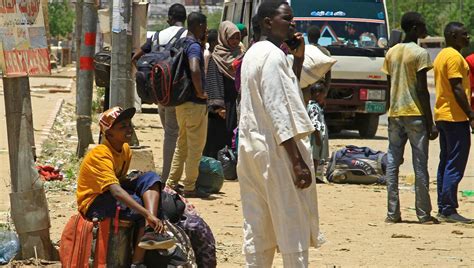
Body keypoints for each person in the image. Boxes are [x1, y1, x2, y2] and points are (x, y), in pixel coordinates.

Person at [238, 2, 321, 266]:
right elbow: (279, 112)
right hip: (277, 152)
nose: (293, 24)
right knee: (291, 223)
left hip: (252, 150)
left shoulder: (256, 53)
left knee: (259, 225)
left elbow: (289, 93)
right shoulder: (272, 56)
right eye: (287, 18)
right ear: (267, 22)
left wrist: (297, 59)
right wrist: (297, 162)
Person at [76, 106, 175, 266]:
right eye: (122, 127)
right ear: (109, 133)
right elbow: (115, 190)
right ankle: (137, 261)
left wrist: (141, 181)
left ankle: (149, 232)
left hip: (110, 192)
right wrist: (147, 214)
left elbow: (120, 180)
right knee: (141, 205)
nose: (129, 129)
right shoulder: (100, 154)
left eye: (129, 125)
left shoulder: (125, 150)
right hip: (95, 202)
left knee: (151, 177)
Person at [381, 12, 439, 224]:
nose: (425, 30)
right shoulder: (420, 54)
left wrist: (389, 111)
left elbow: (389, 86)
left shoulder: (392, 53)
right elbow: (422, 90)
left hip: (395, 114)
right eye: (423, 26)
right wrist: (430, 122)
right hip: (414, 114)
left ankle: (392, 213)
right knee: (420, 165)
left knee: (393, 164)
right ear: (415, 27)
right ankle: (423, 214)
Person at [132, 3, 188, 185]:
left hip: (159, 91)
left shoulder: (157, 36)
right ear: (185, 19)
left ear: (169, 19)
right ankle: (166, 177)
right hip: (175, 92)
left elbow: (135, 58)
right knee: (173, 133)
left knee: (170, 131)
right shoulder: (187, 35)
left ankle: (170, 172)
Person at [165, 12, 209, 198]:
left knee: (181, 144)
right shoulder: (193, 46)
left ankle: (171, 183)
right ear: (198, 26)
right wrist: (200, 91)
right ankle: (190, 186)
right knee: (195, 147)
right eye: (204, 26)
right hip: (194, 103)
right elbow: (194, 67)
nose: (206, 30)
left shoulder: (180, 43)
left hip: (181, 103)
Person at [434, 22, 473, 223]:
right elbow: (457, 87)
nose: (468, 38)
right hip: (454, 117)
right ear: (452, 35)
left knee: (446, 161)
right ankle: (448, 209)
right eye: (463, 35)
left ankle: (443, 206)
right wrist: (470, 114)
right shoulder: (453, 57)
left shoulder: (442, 55)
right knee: (455, 163)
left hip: (444, 115)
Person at [203, 21, 243, 159]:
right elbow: (213, 82)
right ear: (224, 37)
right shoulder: (216, 57)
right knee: (219, 137)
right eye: (232, 37)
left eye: (237, 38)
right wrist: (219, 107)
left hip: (237, 103)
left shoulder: (241, 55)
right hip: (222, 107)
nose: (235, 41)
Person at [307, 82, 329, 183]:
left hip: (317, 136)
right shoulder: (314, 108)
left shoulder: (316, 106)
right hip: (315, 137)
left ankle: (316, 176)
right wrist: (318, 138)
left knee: (317, 157)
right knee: (314, 157)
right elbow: (314, 123)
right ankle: (313, 177)